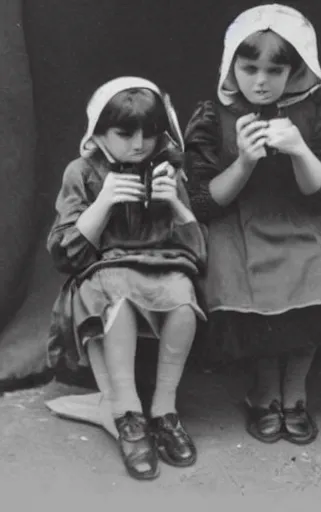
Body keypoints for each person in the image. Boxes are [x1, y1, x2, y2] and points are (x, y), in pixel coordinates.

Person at [184, 4, 321, 445]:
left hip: (302, 214)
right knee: (249, 285)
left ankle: (296, 390)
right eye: (249, 68)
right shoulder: (214, 113)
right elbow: (204, 202)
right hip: (238, 221)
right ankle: (264, 390)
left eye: (274, 69)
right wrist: (244, 162)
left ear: (295, 70)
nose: (260, 81)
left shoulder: (319, 107)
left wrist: (301, 150)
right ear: (231, 65)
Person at [47, 76, 207, 480]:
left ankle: (164, 410)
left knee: (184, 296)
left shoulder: (167, 169)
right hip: (99, 277)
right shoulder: (81, 172)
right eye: (124, 133)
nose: (139, 144)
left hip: (159, 270)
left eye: (149, 134)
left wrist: (174, 202)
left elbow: (198, 254)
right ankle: (127, 412)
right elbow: (66, 255)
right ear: (99, 132)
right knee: (116, 296)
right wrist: (103, 202)